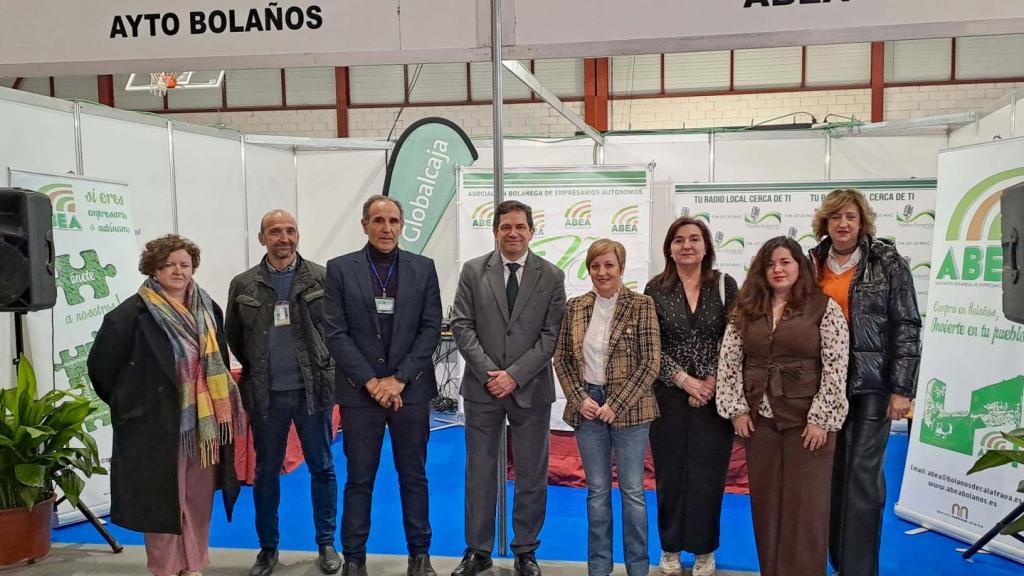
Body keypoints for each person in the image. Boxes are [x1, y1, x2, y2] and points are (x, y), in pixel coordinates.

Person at [88, 234, 244, 576]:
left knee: (199, 501)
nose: (178, 271)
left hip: (203, 428)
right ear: (153, 268)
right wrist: (134, 409)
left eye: (184, 265)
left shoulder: (208, 308)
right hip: (156, 428)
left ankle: (194, 565)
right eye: (169, 264)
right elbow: (101, 369)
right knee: (163, 503)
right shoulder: (130, 315)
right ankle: (164, 568)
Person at [716, 236, 850, 576]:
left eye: (785, 262)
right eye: (771, 263)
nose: (778, 269)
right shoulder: (745, 310)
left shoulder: (824, 307)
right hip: (760, 422)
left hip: (809, 425)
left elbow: (836, 366)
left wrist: (821, 419)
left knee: (806, 510)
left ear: (799, 267)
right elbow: (730, 361)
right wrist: (737, 409)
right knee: (767, 507)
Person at [323, 195, 442, 576]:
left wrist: (399, 378)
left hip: (411, 391)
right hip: (362, 393)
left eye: (393, 220)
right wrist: (372, 381)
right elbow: (336, 332)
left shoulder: (423, 268)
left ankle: (419, 554)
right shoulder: (340, 269)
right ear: (364, 225)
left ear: (402, 225)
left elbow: (430, 329)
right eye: (378, 220)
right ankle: (354, 557)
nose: (386, 228)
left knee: (414, 475)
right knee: (359, 478)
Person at [808, 189, 922, 576]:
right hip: (822, 387)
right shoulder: (812, 263)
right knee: (831, 477)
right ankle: (838, 561)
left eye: (851, 217)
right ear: (825, 223)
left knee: (861, 477)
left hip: (872, 387)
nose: (843, 224)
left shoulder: (887, 261)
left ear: (862, 223)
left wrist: (902, 390)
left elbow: (906, 326)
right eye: (836, 217)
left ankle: (857, 570)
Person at [450, 200, 567, 576]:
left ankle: (526, 550)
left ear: (532, 231)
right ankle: (478, 550)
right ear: (496, 231)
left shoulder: (551, 275)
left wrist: (515, 374)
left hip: (531, 389)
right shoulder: (472, 271)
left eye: (520, 227)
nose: (512, 233)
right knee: (480, 472)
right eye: (505, 227)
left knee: (532, 472)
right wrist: (490, 372)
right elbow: (462, 326)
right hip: (482, 389)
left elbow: (552, 335)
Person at [225, 210, 339, 576]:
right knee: (266, 472)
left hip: (314, 391)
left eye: (290, 231)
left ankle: (326, 543)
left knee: (322, 468)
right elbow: (235, 336)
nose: (284, 238)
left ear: (298, 236)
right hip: (266, 395)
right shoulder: (243, 285)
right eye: (275, 232)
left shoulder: (322, 277)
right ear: (262, 238)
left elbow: (337, 331)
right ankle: (268, 548)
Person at [553, 239, 661, 576]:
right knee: (597, 493)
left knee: (632, 494)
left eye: (609, 265)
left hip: (630, 409)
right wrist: (579, 398)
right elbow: (563, 359)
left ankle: (637, 568)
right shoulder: (575, 307)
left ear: (621, 268)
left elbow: (651, 362)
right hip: (587, 408)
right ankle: (598, 568)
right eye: (595, 265)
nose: (602, 272)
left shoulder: (642, 304)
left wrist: (616, 404)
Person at [644, 217, 738, 576]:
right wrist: (685, 381)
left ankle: (704, 550)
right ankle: (669, 548)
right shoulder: (655, 289)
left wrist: (710, 381)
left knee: (708, 476)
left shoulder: (725, 285)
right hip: (669, 396)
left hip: (716, 397)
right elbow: (652, 346)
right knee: (670, 475)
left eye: (694, 239)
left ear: (706, 246)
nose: (687, 245)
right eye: (679, 240)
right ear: (669, 248)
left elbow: (734, 338)